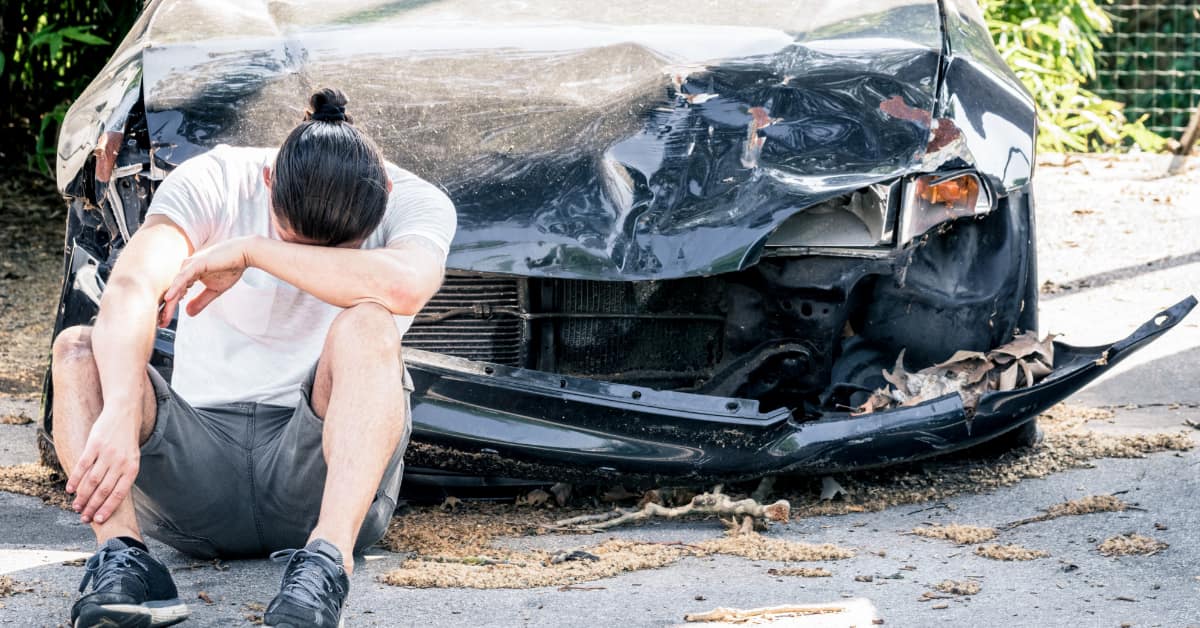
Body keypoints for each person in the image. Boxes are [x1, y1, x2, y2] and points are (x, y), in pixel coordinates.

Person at [50, 88, 456, 627]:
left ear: (381, 189)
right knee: (77, 348)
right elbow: (131, 286)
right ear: (269, 182)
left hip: (317, 475)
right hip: (197, 476)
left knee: (370, 322)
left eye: (335, 255)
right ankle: (125, 563)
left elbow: (404, 287)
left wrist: (255, 251)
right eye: (293, 240)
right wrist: (123, 405)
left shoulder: (416, 199)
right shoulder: (217, 179)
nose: (312, 262)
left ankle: (324, 569)